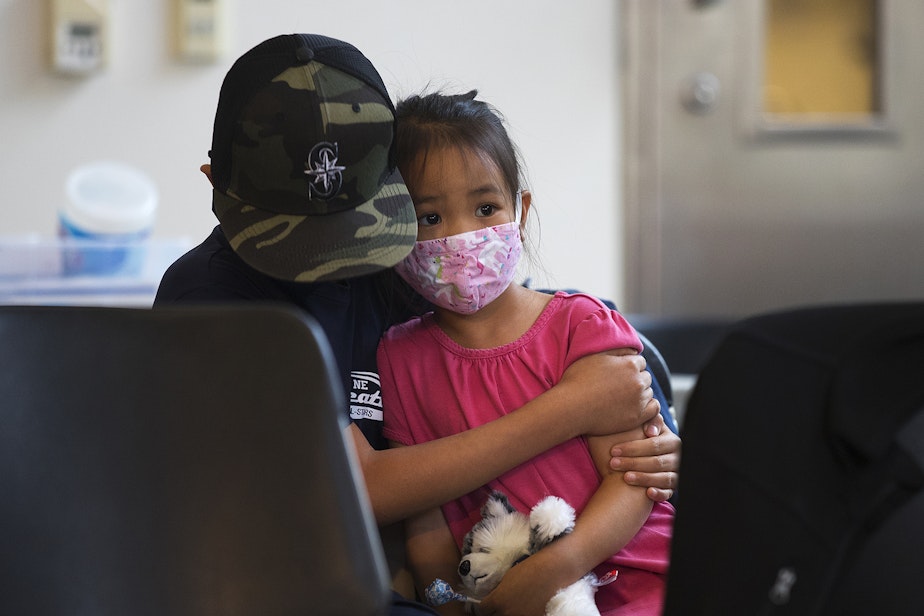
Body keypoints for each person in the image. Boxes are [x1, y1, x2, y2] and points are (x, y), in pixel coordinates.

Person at [154, 33, 680, 616]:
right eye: (292, 233)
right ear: (213, 182)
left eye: (346, 223)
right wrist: (573, 408)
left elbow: (538, 351)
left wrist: (650, 448)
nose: (325, 258)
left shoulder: (395, 261)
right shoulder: (212, 298)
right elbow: (362, 485)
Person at [377, 90, 673, 616]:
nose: (462, 235)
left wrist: (554, 569)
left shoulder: (579, 325)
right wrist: (456, 604)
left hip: (637, 578)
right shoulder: (400, 360)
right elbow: (426, 528)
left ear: (521, 209)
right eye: (429, 217)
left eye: (485, 208)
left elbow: (634, 481)